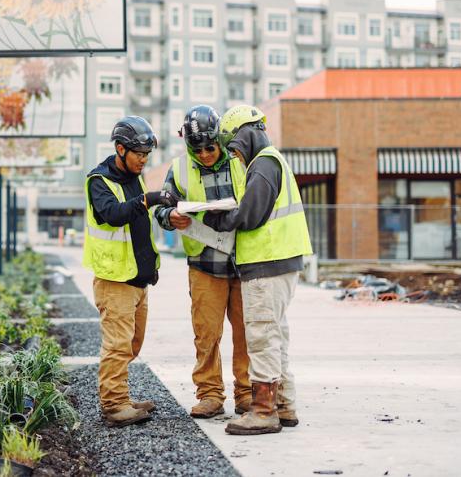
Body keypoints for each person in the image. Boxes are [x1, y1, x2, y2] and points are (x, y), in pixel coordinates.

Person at [174, 104, 312, 436]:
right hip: (277, 261)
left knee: (261, 337)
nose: (230, 152)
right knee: (276, 334)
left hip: (267, 263)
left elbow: (249, 215)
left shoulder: (263, 164)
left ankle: (264, 411)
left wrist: (214, 219)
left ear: (246, 134)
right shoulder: (269, 161)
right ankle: (284, 405)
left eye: (232, 143)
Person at [155, 105, 252, 419]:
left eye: (211, 147)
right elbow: (162, 205)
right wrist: (170, 216)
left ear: (219, 141)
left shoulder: (241, 161)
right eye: (198, 149)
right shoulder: (180, 169)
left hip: (244, 262)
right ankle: (210, 395)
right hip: (205, 265)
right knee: (207, 335)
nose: (206, 154)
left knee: (246, 333)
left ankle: (247, 394)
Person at [83, 115, 169, 427]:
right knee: (117, 345)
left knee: (132, 344)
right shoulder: (99, 181)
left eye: (147, 155)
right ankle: (114, 405)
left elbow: (140, 227)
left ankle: (121, 394)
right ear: (120, 149)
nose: (144, 161)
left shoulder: (135, 176)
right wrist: (147, 199)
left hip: (136, 278)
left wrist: (151, 267)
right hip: (114, 280)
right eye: (139, 155)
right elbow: (113, 215)